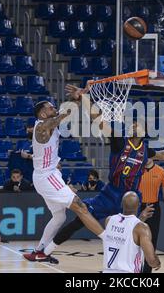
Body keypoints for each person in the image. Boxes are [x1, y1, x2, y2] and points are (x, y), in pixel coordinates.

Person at [36, 84, 164, 262]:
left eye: (137, 124)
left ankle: (137, 267)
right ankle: (46, 251)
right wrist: (84, 98)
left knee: (135, 236)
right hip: (110, 194)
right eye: (133, 123)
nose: (134, 125)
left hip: (130, 198)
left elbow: (162, 154)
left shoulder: (145, 150)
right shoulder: (119, 142)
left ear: (143, 132)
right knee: (79, 220)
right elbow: (98, 120)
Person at [23, 101, 106, 263]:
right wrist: (68, 109)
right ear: (42, 114)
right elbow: (57, 119)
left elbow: (61, 115)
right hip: (46, 177)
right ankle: (109, 240)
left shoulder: (49, 124)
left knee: (59, 217)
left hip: (50, 173)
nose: (53, 108)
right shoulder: (41, 128)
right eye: (50, 107)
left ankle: (40, 251)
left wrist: (76, 99)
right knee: (79, 206)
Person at [103, 191, 161, 273]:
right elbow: (151, 261)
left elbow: (125, 234)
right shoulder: (142, 228)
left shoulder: (109, 220)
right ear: (139, 205)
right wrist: (157, 263)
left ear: (122, 204)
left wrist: (140, 218)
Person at [138, 158, 164, 273]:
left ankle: (146, 271)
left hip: (154, 207)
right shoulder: (137, 170)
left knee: (152, 240)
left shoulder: (161, 171)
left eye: (149, 155)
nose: (146, 158)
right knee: (135, 238)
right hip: (139, 205)